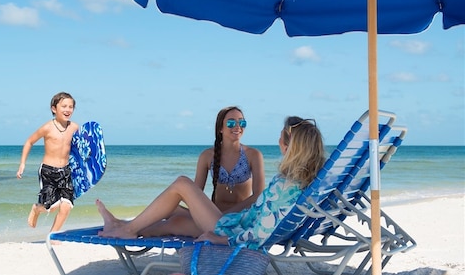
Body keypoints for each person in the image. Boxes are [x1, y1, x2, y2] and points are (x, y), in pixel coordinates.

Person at [97, 116, 326, 250]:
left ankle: (127, 229)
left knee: (182, 184)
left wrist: (221, 239)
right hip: (234, 223)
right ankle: (121, 227)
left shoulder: (284, 187)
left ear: (287, 146)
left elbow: (261, 234)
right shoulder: (304, 182)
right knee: (175, 220)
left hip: (230, 229)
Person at [139, 106, 265, 237]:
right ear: (220, 128)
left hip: (240, 218)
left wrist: (227, 214)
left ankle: (132, 230)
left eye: (242, 122)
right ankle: (130, 227)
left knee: (175, 222)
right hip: (213, 217)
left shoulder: (253, 155)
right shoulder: (207, 156)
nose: (238, 126)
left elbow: (258, 196)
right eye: (231, 122)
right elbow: (195, 193)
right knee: (172, 210)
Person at [16, 92, 78, 234]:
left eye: (71, 107)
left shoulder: (74, 127)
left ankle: (53, 235)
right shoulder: (47, 127)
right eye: (64, 106)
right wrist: (22, 164)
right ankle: (36, 208)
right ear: (54, 109)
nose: (67, 110)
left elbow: (83, 147)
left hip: (66, 171)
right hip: (48, 171)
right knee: (50, 206)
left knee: (66, 206)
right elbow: (29, 141)